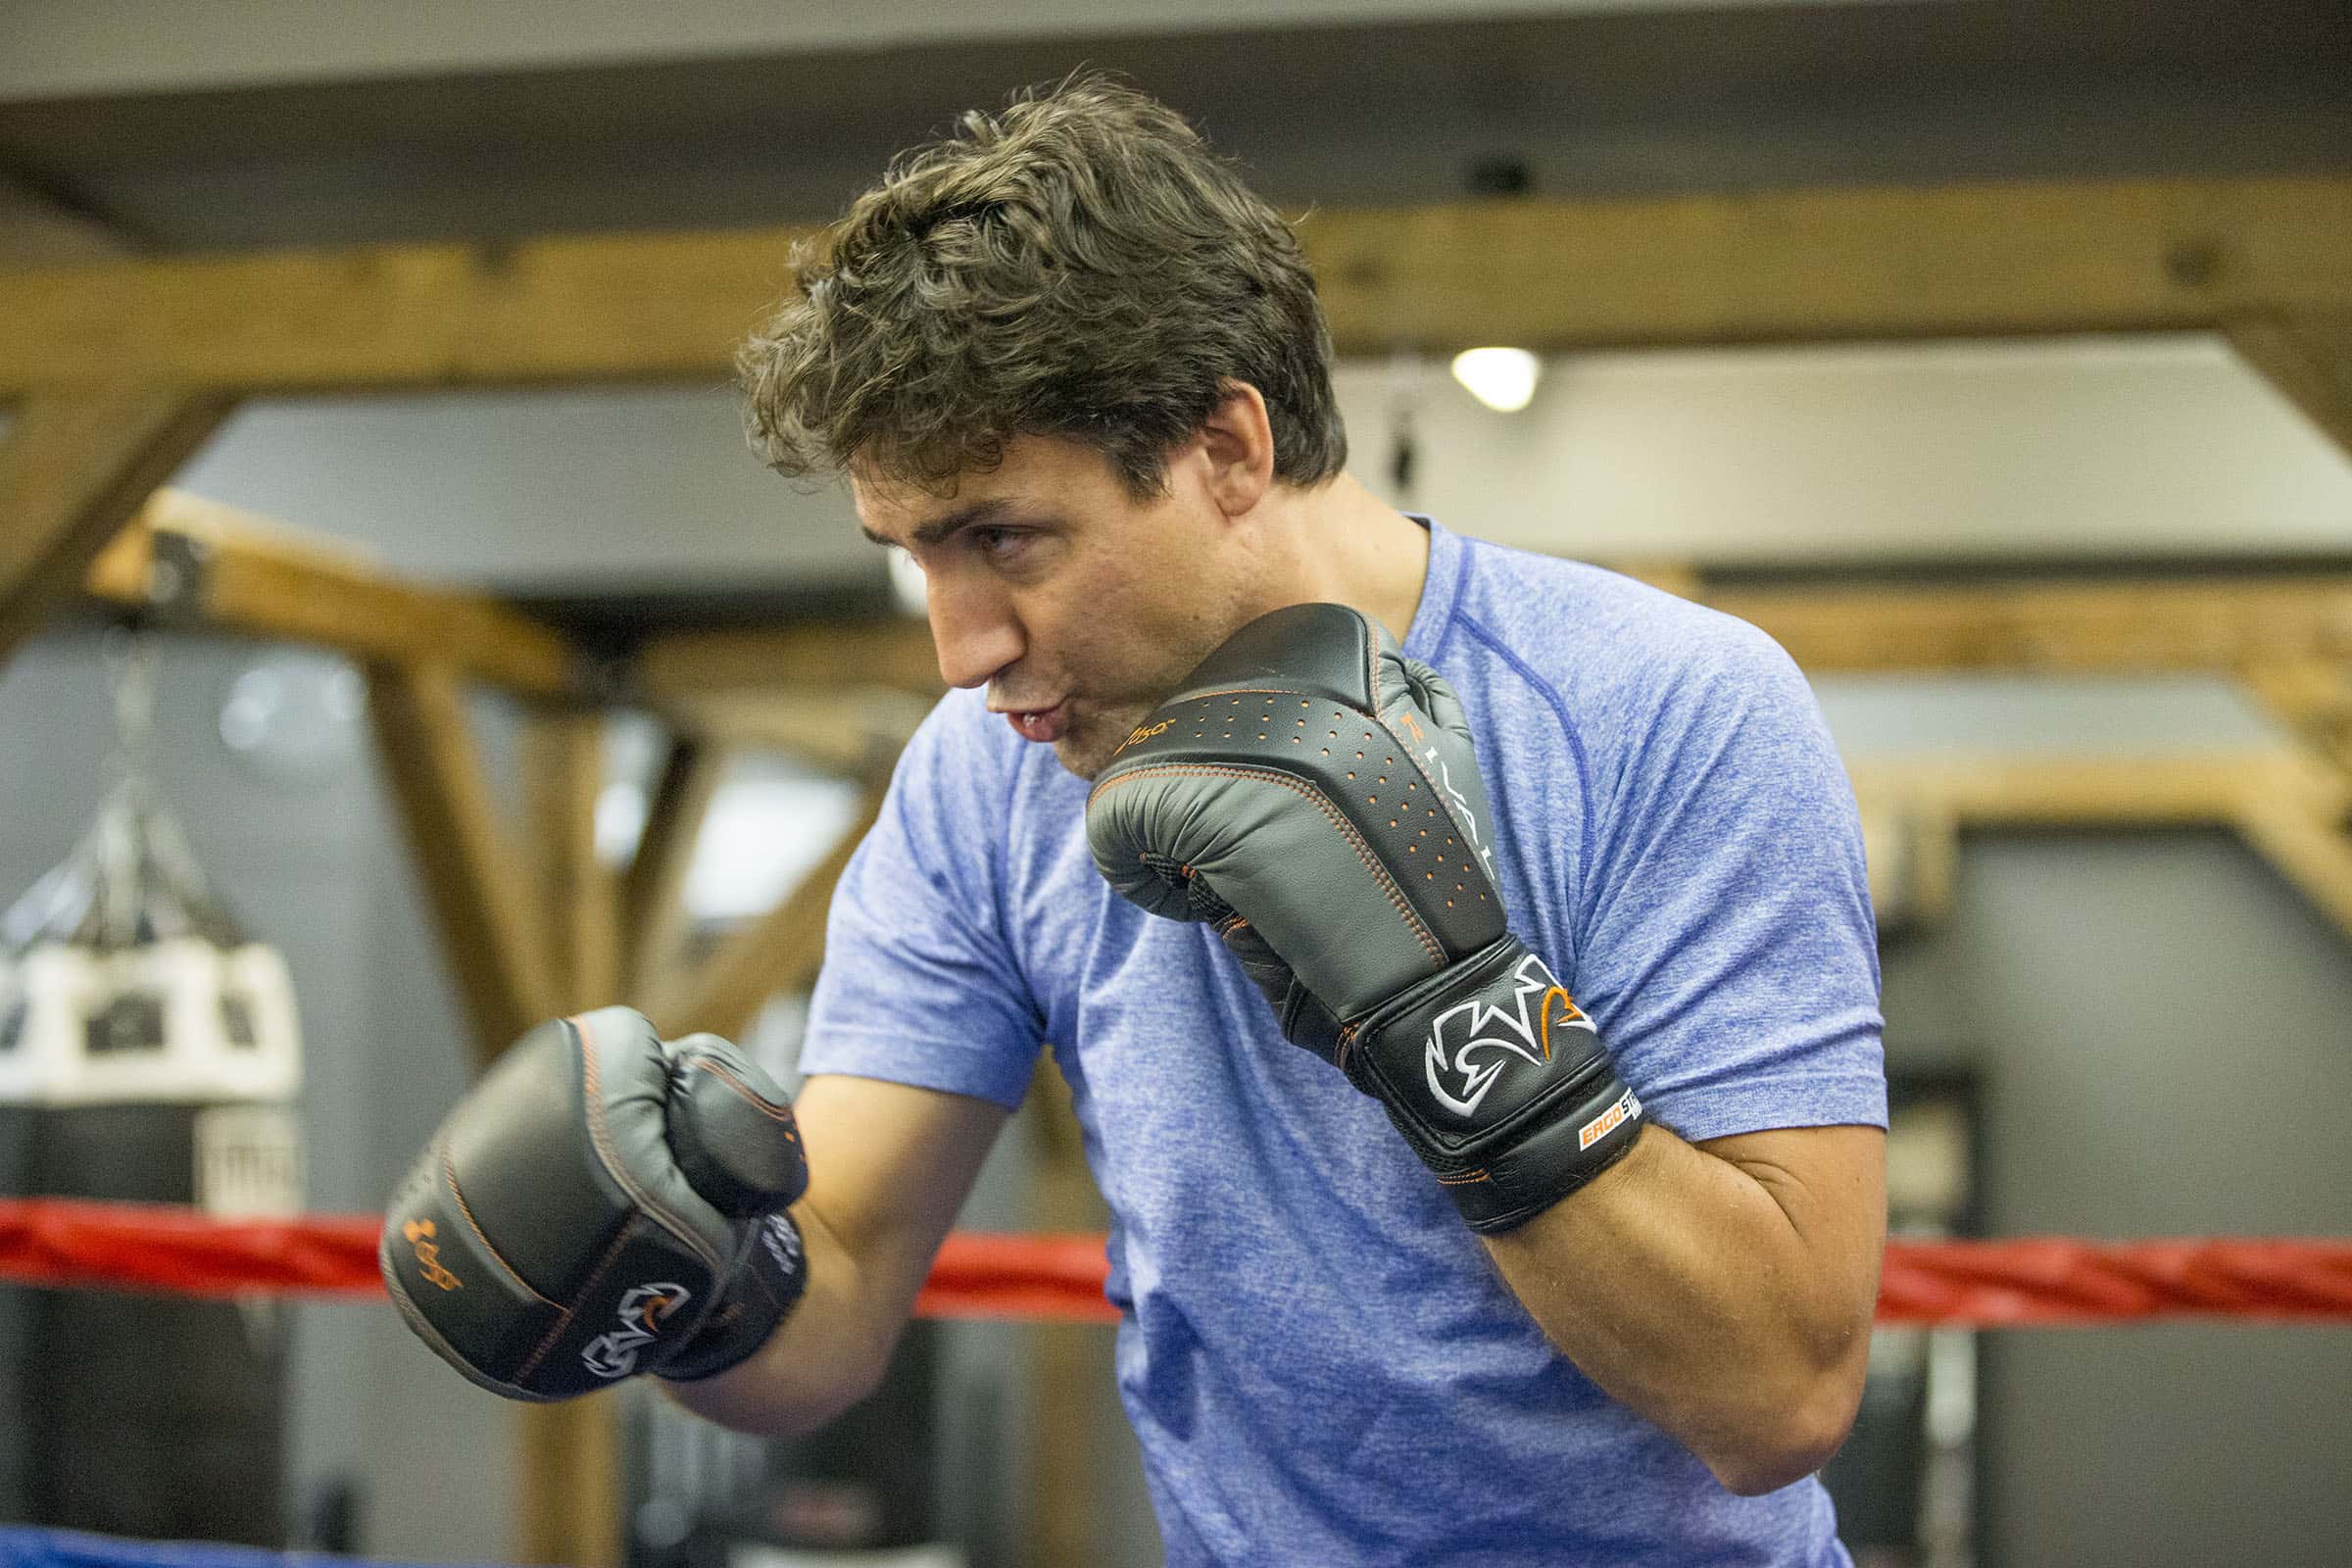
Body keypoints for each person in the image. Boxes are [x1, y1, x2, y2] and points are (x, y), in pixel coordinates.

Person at [383, 76, 1887, 1566]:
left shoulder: (1661, 712)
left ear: (1228, 449)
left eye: (1005, 537)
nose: (961, 648)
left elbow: (1778, 1399)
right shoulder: (986, 778)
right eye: (917, 556)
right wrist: (689, 1294)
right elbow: (832, 1294)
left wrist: (1443, 1014)